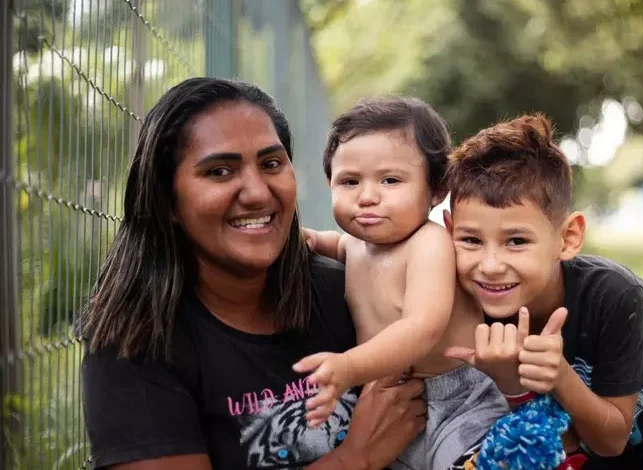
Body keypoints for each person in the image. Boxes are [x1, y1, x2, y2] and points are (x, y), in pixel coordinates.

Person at [80, 77, 428, 470]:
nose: (258, 192)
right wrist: (354, 458)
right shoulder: (135, 344)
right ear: (168, 201)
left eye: (271, 164)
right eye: (220, 172)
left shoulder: (342, 289)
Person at [440, 113, 643, 470]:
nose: (491, 264)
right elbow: (547, 434)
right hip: (584, 449)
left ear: (568, 237)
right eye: (470, 240)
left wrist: (558, 374)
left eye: (516, 241)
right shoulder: (470, 301)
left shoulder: (617, 296)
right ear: (448, 231)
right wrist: (511, 380)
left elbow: (611, 440)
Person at [298, 96, 516, 470]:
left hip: (457, 402)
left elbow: (422, 327)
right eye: (349, 181)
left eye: (390, 180)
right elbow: (333, 243)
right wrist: (309, 240)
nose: (367, 196)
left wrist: (349, 367)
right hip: (388, 400)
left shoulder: (428, 245)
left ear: (436, 188)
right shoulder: (354, 244)